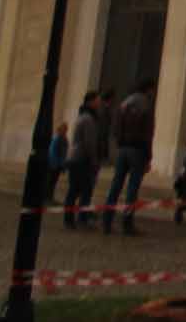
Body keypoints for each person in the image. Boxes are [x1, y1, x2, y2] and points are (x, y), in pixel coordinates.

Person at [102, 77, 155, 234]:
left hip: (123, 149)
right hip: (138, 150)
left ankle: (107, 219)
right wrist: (148, 156)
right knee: (132, 188)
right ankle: (127, 222)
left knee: (116, 185)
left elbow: (115, 128)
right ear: (148, 89)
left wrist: (119, 145)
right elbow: (148, 133)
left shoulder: (124, 103)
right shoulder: (146, 105)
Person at [62, 91, 100, 229]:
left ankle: (71, 218)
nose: (99, 103)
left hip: (75, 158)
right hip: (81, 159)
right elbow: (89, 142)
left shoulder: (82, 117)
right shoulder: (88, 119)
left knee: (75, 190)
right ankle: (79, 218)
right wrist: (94, 160)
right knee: (83, 190)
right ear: (90, 102)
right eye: (97, 100)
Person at [45, 119, 69, 203]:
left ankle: (49, 196)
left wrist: (63, 165)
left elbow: (64, 154)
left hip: (58, 164)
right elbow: (53, 153)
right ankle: (47, 197)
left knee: (53, 182)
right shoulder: (57, 139)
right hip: (54, 164)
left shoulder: (64, 139)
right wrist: (56, 164)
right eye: (64, 129)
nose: (65, 130)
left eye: (66, 129)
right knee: (50, 181)